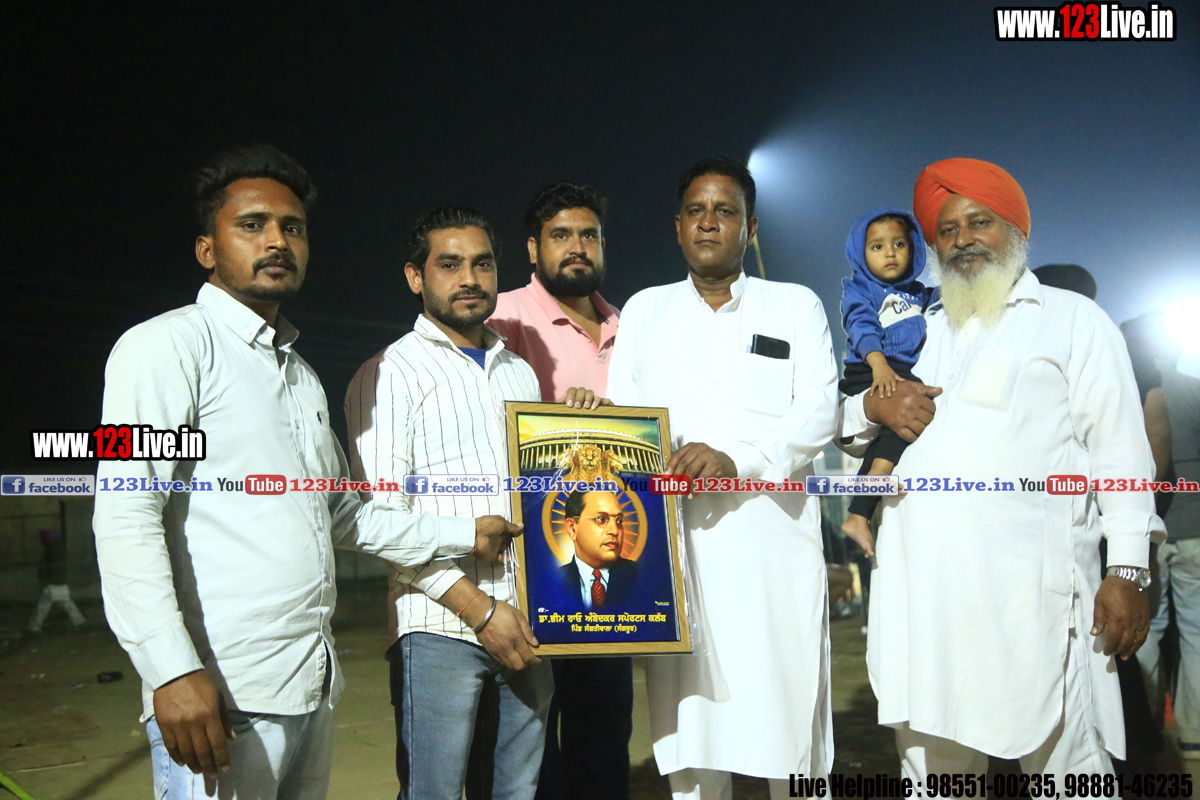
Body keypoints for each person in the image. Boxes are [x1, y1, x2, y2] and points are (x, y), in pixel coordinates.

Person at [93, 148, 520, 800]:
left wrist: (464, 532)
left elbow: (341, 513)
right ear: (207, 249)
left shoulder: (300, 376)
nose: (276, 241)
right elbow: (125, 510)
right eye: (253, 225)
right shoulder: (162, 348)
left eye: (291, 227)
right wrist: (171, 671)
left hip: (308, 687)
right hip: (218, 697)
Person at [838, 157, 1162, 782]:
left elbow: (1121, 455)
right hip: (923, 608)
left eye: (979, 223)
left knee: (1070, 776)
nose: (963, 240)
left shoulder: (1071, 319)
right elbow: (851, 424)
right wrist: (872, 406)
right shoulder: (919, 330)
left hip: (1032, 606)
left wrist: (1127, 570)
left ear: (1015, 230)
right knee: (936, 777)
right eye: (947, 230)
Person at [607, 155, 838, 800]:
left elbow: (821, 410)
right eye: (696, 210)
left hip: (775, 552)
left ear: (750, 227)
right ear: (678, 225)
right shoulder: (645, 310)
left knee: (788, 721)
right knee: (693, 732)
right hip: (678, 557)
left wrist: (741, 459)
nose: (709, 222)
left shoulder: (793, 305)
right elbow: (626, 419)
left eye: (725, 211)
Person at [345, 206, 553, 800]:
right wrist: (480, 611)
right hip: (438, 625)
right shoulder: (389, 373)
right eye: (450, 265)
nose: (469, 279)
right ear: (416, 277)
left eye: (482, 264)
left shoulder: (519, 373)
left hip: (531, 622)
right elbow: (378, 521)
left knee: (516, 793)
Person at [489, 182, 630, 800]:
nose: (577, 246)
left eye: (589, 235)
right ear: (532, 248)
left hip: (614, 569)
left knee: (605, 736)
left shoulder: (629, 326)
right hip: (531, 569)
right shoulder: (502, 317)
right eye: (561, 235)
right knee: (532, 747)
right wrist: (558, 422)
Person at [838, 208, 936, 557]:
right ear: (860, 253)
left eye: (899, 244)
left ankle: (858, 515)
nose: (890, 253)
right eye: (877, 247)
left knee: (895, 432)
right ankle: (869, 493)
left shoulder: (919, 294)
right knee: (912, 411)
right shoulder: (862, 290)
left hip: (897, 370)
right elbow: (860, 326)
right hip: (871, 369)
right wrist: (878, 366)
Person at [1137, 359, 1200, 759]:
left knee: (1148, 629)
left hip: (1150, 530)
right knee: (1197, 633)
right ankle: (1195, 736)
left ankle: (1146, 730)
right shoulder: (1194, 389)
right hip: (1196, 530)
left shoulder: (1133, 390)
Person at [559, 489, 638, 610]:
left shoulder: (644, 578)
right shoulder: (551, 583)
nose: (615, 531)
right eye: (601, 519)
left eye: (619, 521)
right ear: (572, 528)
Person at [27, 528, 85, 633]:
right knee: (68, 605)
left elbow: (45, 568)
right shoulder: (60, 550)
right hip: (61, 583)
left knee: (42, 607)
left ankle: (34, 628)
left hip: (52, 584)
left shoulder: (50, 551)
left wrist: (44, 581)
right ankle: (80, 622)